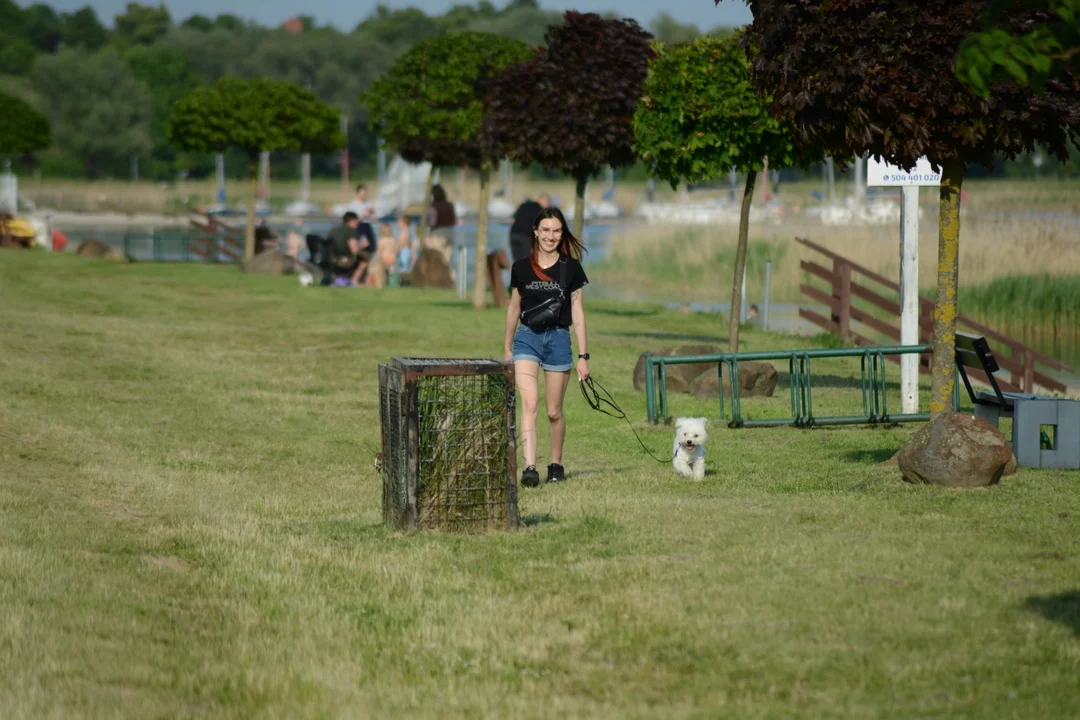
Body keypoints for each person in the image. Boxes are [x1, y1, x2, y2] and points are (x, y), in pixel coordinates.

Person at [504, 207, 589, 488]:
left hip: (558, 340)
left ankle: (556, 464)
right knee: (529, 404)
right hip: (527, 338)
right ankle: (529, 468)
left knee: (554, 411)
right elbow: (513, 309)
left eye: (556, 231)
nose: (551, 236)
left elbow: (578, 313)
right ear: (536, 232)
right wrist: (507, 348)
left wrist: (583, 356)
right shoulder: (521, 267)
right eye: (546, 230)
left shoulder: (571, 268)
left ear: (561, 233)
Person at [327, 211, 372, 286]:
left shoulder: (333, 230)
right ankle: (354, 281)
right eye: (356, 222)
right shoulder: (350, 231)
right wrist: (363, 246)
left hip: (331, 259)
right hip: (344, 260)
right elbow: (354, 250)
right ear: (352, 221)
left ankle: (340, 279)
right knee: (365, 259)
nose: (357, 224)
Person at [509, 193, 551, 264]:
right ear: (545, 201)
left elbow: (513, 219)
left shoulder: (524, 205)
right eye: (548, 203)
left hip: (514, 234)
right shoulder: (541, 210)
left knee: (517, 260)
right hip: (526, 235)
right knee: (526, 260)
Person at [426, 183, 457, 268]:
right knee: (447, 261)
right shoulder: (450, 205)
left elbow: (432, 222)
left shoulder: (434, 206)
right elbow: (454, 219)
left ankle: (438, 278)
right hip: (450, 232)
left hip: (438, 233)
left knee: (437, 259)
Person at [344, 183, 377, 250]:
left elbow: (374, 220)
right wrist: (363, 214)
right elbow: (352, 221)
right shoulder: (353, 205)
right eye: (362, 194)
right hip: (358, 227)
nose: (363, 196)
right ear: (358, 193)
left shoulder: (369, 203)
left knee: (371, 245)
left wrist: (372, 213)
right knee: (363, 245)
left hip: (367, 226)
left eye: (365, 194)